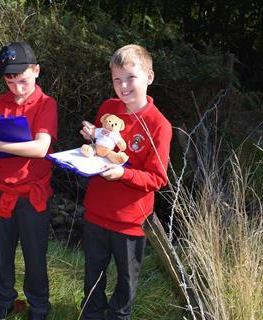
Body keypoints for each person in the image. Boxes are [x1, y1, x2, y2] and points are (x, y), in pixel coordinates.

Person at [79, 44, 172, 320]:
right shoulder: (109, 108)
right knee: (92, 276)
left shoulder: (158, 125)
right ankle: (90, 314)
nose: (123, 86)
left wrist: (124, 174)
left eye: (131, 77)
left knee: (125, 282)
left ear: (149, 77)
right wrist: (92, 136)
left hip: (131, 222)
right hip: (96, 212)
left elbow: (157, 178)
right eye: (116, 79)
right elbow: (102, 149)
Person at [0, 42, 58, 320]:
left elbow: (40, 148)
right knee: (3, 252)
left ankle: (39, 306)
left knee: (34, 256)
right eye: (10, 82)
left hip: (32, 193)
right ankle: (4, 301)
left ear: (36, 71)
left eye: (22, 81)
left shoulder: (46, 104)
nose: (17, 88)